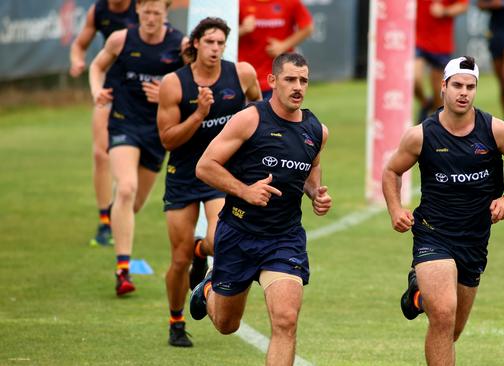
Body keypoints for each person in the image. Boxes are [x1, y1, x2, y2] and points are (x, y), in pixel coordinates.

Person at [382, 56, 504, 365]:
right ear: (443, 87)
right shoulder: (421, 135)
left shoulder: (494, 130)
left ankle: (420, 295)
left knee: (451, 330)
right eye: (457, 86)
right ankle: (429, 295)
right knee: (443, 314)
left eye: (470, 86)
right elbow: (391, 171)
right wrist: (395, 208)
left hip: (475, 240)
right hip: (433, 234)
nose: (463, 92)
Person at [190, 52, 332, 365]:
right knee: (227, 325)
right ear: (272, 81)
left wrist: (315, 195)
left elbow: (311, 173)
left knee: (286, 321)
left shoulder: (316, 131)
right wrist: (245, 190)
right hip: (238, 233)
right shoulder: (250, 118)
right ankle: (209, 287)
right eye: (290, 79)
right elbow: (205, 166)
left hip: (284, 238)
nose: (298, 87)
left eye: (303, 80)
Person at [156, 17, 262, 347]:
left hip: (220, 173)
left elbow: (259, 107)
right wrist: (199, 115)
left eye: (220, 43)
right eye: (210, 42)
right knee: (179, 257)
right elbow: (168, 140)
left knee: (219, 242)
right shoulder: (174, 84)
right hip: (184, 177)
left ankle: (204, 250)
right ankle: (176, 321)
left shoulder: (241, 73)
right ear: (196, 43)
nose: (215, 48)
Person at [89, 0, 187, 297]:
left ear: (166, 14)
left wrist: (167, 95)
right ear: (138, 11)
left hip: (158, 132)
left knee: (133, 204)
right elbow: (97, 65)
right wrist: (97, 92)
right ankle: (123, 270)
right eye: (146, 12)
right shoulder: (121, 39)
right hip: (124, 124)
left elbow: (194, 85)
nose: (151, 18)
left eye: (157, 13)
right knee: (126, 188)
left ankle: (117, 228)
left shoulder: (180, 45)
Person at [69, 0, 138, 247]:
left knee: (139, 170)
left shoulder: (143, 7)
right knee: (100, 154)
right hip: (111, 88)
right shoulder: (99, 10)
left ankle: (124, 210)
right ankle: (104, 221)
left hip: (141, 94)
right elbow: (79, 45)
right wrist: (77, 60)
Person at [238, 0, 314, 100]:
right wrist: (242, 29)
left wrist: (284, 45)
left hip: (278, 77)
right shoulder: (238, 3)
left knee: (276, 115)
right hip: (244, 77)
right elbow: (220, 35)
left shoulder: (291, 2)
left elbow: (307, 27)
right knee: (243, 115)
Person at [414, 0, 469, 123]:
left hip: (441, 43)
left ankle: (434, 128)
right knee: (414, 78)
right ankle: (425, 102)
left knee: (439, 94)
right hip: (417, 39)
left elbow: (463, 6)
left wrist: (444, 11)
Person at [477, 0, 504, 118]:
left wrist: (503, 4)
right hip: (495, 32)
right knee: (502, 82)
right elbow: (480, 4)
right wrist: (492, 4)